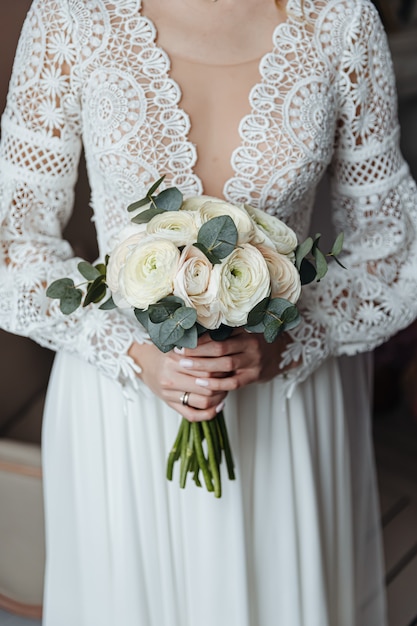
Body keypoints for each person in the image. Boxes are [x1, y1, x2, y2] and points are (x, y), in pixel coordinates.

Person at [0, 0, 416, 625]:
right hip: (122, 408)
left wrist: (292, 342)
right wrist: (132, 350)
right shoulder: (71, 18)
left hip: (285, 402)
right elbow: (13, 238)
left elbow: (391, 244)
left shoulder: (340, 21)